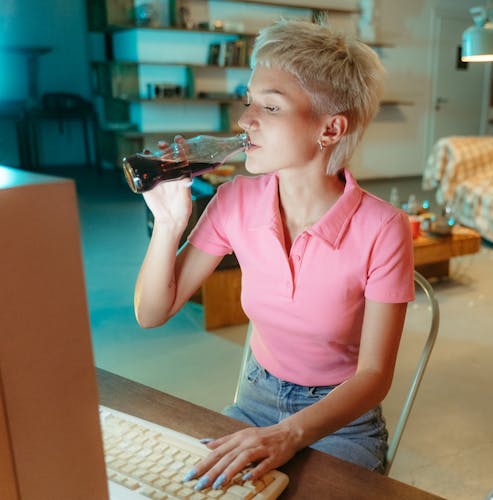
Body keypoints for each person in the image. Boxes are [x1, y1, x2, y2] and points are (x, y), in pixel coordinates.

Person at [133, 19, 415, 492]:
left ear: (330, 128)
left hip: (341, 417)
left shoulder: (383, 229)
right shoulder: (234, 201)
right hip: (256, 399)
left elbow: (374, 375)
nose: (245, 121)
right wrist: (167, 222)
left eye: (270, 106)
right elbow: (150, 313)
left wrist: (289, 435)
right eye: (248, 102)